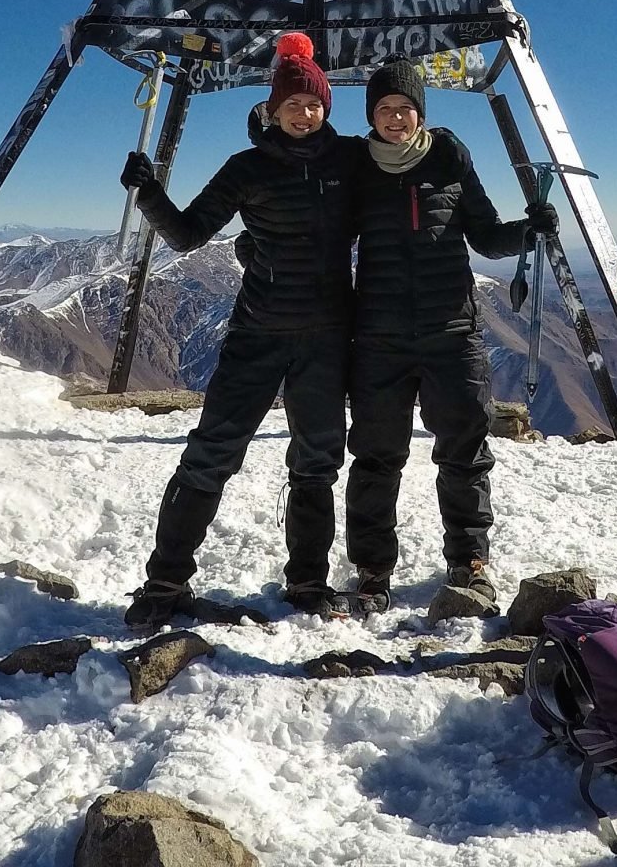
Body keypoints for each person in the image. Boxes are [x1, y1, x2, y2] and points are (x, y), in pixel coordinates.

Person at [119, 33, 357, 629]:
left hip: (327, 336)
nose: (303, 114)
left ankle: (308, 581)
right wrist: (148, 193)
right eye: (292, 104)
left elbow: (407, 183)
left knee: (317, 463)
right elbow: (188, 234)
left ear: (327, 107)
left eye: (313, 104)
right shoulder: (246, 168)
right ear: (273, 110)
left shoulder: (351, 160)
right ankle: (164, 582)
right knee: (210, 456)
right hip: (258, 334)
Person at [344, 58, 557, 616]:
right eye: (385, 109)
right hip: (379, 337)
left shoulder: (449, 158)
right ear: (371, 114)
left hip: (451, 333)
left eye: (404, 108)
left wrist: (527, 231)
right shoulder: (355, 166)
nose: (395, 118)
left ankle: (470, 560)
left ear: (421, 113)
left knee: (465, 453)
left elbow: (486, 236)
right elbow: (318, 230)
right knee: (375, 456)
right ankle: (371, 569)